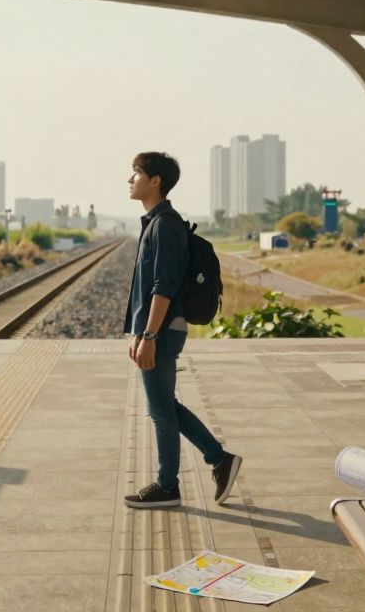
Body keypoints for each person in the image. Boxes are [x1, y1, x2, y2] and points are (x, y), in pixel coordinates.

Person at [123, 151, 242, 509]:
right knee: (164, 406)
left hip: (163, 331)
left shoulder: (166, 225)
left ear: (155, 180)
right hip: (157, 330)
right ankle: (217, 460)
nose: (130, 180)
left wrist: (149, 336)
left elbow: (164, 286)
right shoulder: (156, 223)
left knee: (161, 410)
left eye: (136, 173)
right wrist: (139, 332)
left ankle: (169, 484)